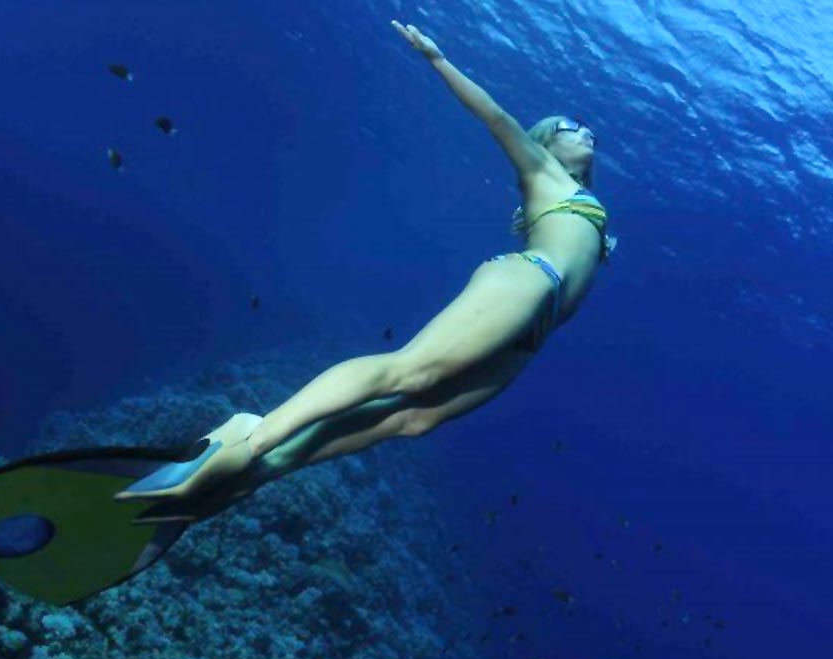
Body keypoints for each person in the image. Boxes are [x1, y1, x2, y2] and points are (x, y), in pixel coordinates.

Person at [113, 21, 615, 524]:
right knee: (410, 370)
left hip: (534, 333)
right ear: (544, 143)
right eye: (570, 127)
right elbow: (496, 117)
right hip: (530, 281)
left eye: (586, 128)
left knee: (413, 420)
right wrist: (437, 59)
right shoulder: (543, 173)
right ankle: (249, 437)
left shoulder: (581, 196)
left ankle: (257, 474)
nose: (585, 130)